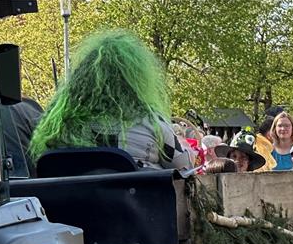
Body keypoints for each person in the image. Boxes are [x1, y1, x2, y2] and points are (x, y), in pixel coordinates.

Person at [29, 30, 192, 170]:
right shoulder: (151, 122)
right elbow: (183, 166)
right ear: (137, 80)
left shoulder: (60, 128)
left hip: (70, 205)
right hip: (139, 205)